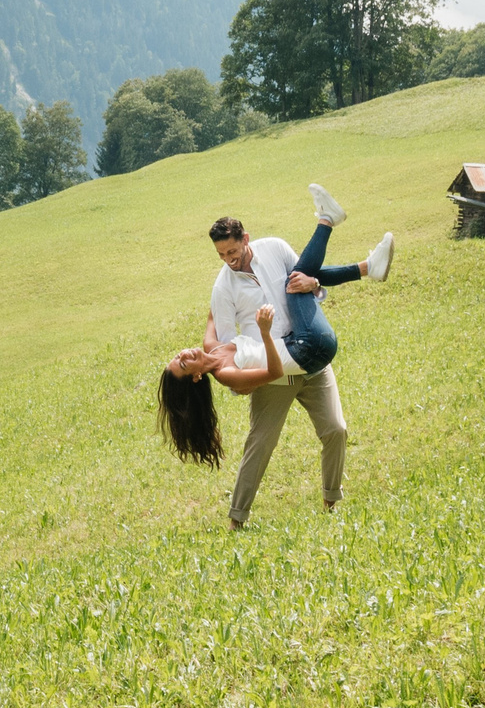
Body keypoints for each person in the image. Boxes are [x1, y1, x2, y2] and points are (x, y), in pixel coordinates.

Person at [160, 184, 392, 528]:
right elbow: (226, 347)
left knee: (336, 429)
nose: (229, 259)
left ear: (246, 238)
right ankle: (237, 518)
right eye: (221, 255)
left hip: (308, 355)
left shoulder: (274, 248)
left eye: (233, 251)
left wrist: (313, 286)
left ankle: (332, 499)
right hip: (273, 372)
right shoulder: (224, 288)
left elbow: (309, 278)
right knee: (260, 445)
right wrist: (252, 350)